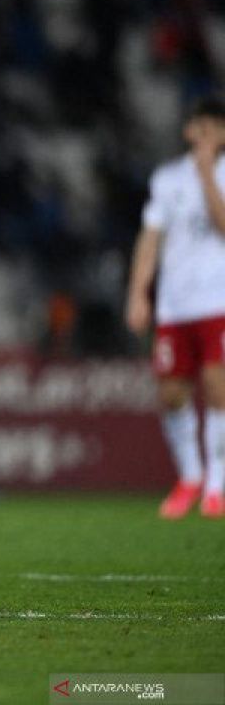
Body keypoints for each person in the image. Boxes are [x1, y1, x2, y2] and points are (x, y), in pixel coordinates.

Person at [125, 93, 225, 519]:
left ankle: (217, 485)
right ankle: (190, 475)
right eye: (199, 128)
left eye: (214, 129)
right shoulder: (166, 179)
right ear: (188, 131)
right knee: (170, 393)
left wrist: (207, 177)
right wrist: (137, 292)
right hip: (174, 305)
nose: (206, 136)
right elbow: (150, 239)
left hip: (218, 299)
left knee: (218, 387)